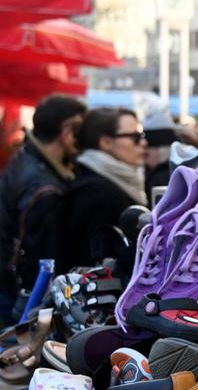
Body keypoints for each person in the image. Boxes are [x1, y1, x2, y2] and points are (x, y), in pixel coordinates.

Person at [0, 94, 85, 324]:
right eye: (81, 132)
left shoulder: (25, 157)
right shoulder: (44, 188)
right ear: (67, 134)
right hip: (16, 297)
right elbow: (42, 265)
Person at [59, 108, 149, 270]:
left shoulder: (109, 181)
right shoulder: (96, 192)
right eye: (135, 137)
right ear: (106, 142)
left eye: (142, 136)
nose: (143, 143)